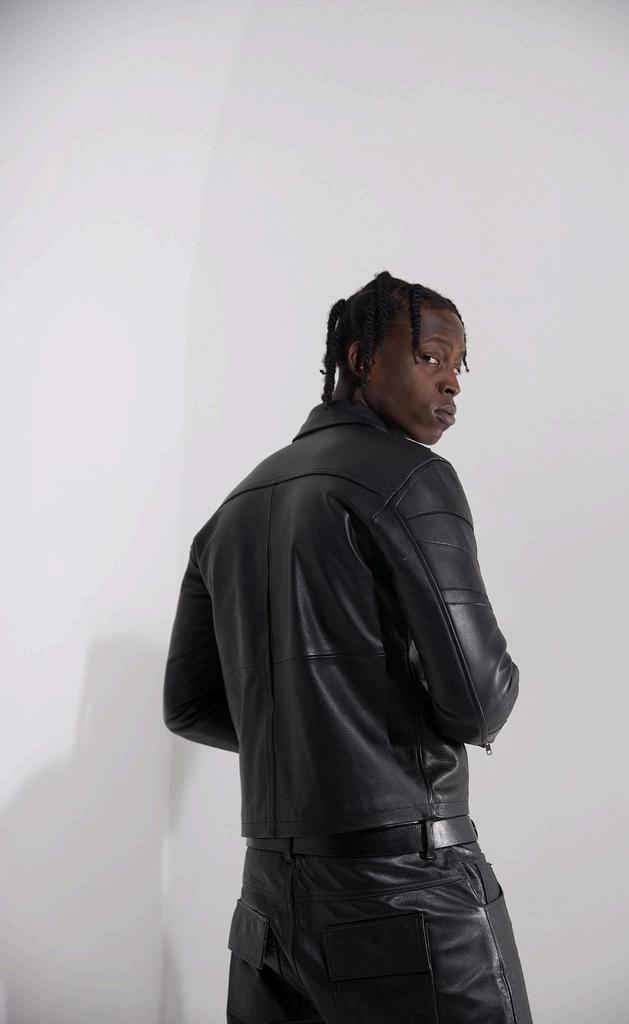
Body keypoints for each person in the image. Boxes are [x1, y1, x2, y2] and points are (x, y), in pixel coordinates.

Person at [163, 270, 534, 1023]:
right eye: (430, 356)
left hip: (268, 906)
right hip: (406, 894)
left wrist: (321, 736)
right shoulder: (413, 478)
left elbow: (190, 705)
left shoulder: (233, 509)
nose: (452, 382)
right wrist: (371, 737)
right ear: (361, 358)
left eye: (458, 365)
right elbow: (478, 701)